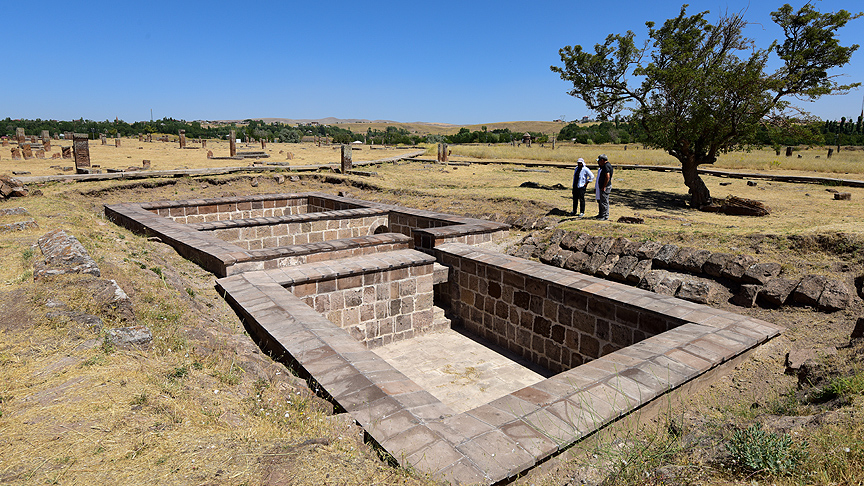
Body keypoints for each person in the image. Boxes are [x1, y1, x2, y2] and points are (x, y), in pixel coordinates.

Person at [594, 154, 613, 220]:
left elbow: (607, 177)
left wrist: (604, 186)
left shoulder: (606, 166)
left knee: (604, 202)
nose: (598, 162)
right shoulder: (606, 165)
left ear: (602, 160)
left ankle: (605, 216)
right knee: (602, 201)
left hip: (605, 187)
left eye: (599, 161)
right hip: (604, 186)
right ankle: (601, 214)